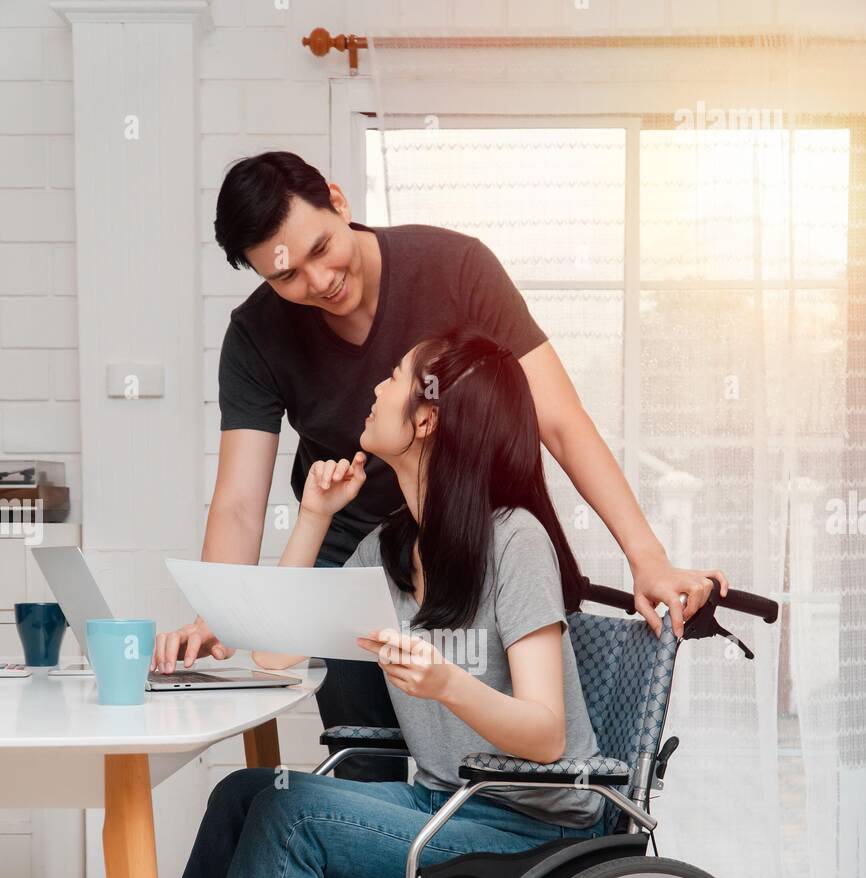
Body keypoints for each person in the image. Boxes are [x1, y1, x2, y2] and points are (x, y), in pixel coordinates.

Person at [93, 328, 650, 878]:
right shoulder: (393, 548)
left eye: (396, 378)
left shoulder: (515, 541)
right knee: (240, 798)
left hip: (529, 828)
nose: (377, 386)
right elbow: (276, 651)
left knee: (294, 819)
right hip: (443, 804)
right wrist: (313, 515)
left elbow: (545, 732)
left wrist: (447, 684)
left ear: (428, 418)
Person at [151, 151, 728, 781]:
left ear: (339, 203)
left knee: (493, 748)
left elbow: (557, 420)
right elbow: (239, 499)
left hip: (473, 556)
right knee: (365, 764)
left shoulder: (454, 267)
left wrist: (646, 557)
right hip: (363, 561)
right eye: (286, 276)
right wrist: (222, 610)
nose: (317, 281)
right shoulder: (256, 335)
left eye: (321, 248)